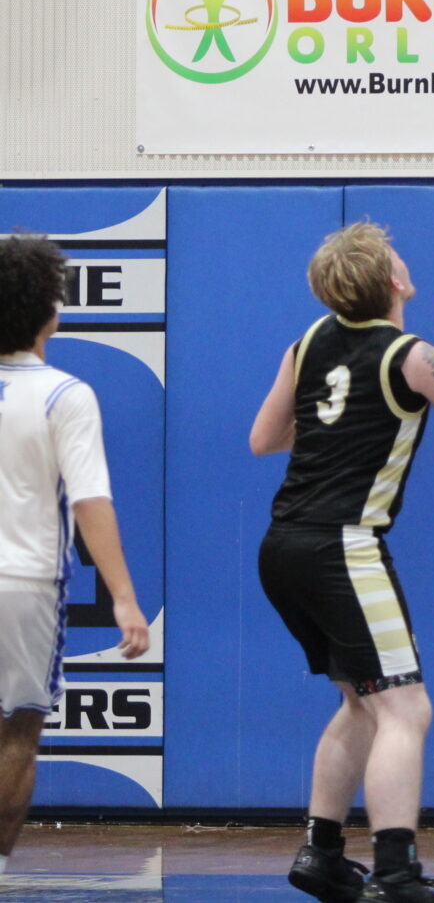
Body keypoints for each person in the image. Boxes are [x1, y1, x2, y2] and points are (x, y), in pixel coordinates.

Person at [249, 222, 434, 903]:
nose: (405, 255)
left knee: (362, 701)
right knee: (406, 707)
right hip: (342, 543)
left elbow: (263, 437)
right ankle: (396, 872)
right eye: (397, 253)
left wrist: (336, 428)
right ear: (393, 281)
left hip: (283, 544)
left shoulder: (304, 343)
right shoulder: (412, 355)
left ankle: (321, 853)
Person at [0, 234, 151, 878]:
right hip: (24, 582)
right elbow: (91, 502)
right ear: (51, 313)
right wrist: (123, 597)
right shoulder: (66, 394)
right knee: (15, 737)